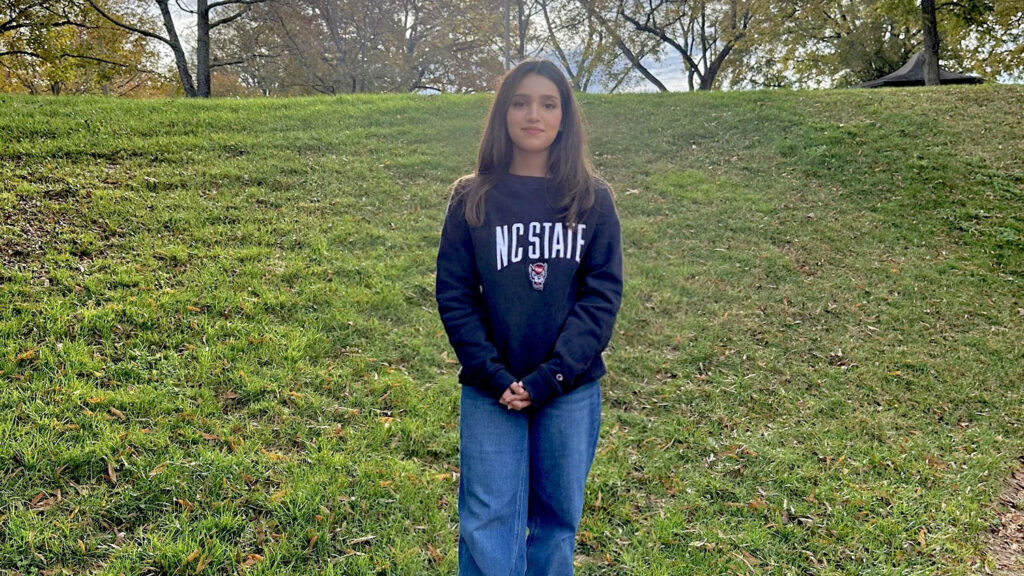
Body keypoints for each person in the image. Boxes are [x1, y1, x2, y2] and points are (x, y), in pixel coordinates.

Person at [435, 59, 623, 576]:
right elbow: (454, 295)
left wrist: (552, 376)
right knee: (486, 521)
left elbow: (601, 296)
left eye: (547, 103)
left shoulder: (592, 200)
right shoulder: (472, 198)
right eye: (519, 102)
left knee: (556, 523)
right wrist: (494, 374)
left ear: (564, 117)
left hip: (569, 389)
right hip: (488, 388)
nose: (532, 114)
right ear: (502, 113)